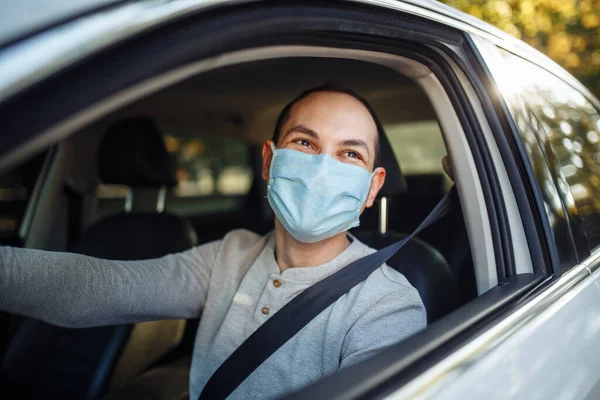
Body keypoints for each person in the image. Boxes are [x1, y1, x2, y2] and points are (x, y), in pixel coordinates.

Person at [0, 84, 426, 399]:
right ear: (268, 161)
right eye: (304, 142)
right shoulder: (231, 253)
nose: (321, 169)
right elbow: (100, 289)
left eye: (349, 154)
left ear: (372, 188)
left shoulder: (388, 305)